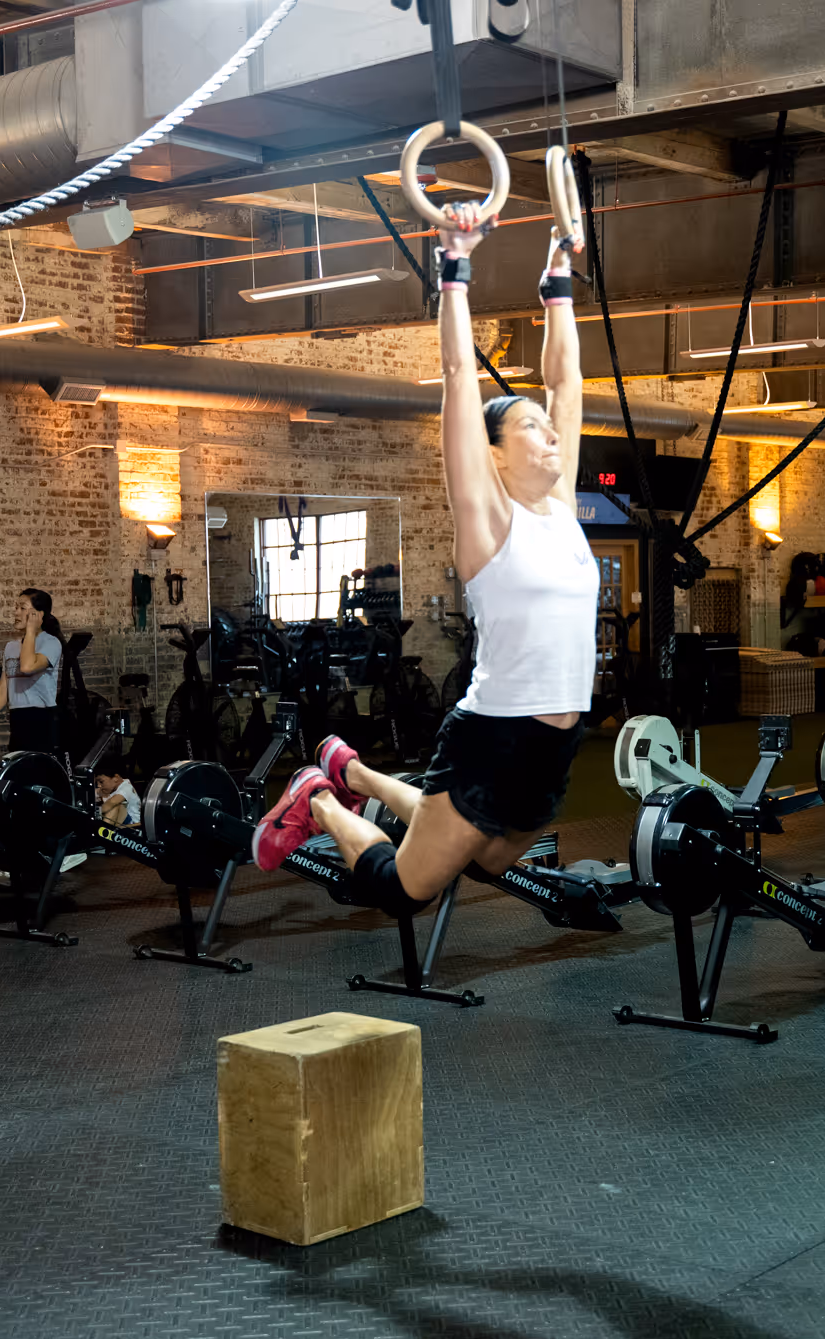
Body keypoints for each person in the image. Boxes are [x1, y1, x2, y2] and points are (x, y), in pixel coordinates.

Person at [250, 199, 598, 914]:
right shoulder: (489, 520)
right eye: (527, 428)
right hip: (494, 737)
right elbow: (458, 375)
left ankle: (359, 773)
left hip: (557, 742)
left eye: (546, 426)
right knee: (405, 889)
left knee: (492, 860)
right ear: (494, 457)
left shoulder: (560, 506)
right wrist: (455, 265)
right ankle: (318, 798)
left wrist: (559, 278)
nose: (549, 432)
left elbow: (567, 383)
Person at [0, 588, 65, 756]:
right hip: (18, 717)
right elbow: (3, 689)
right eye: (16, 607)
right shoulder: (11, 647)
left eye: (22, 608)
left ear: (39, 614)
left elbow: (27, 667)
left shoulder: (51, 643)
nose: (16, 612)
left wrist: (30, 631)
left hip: (42, 719)